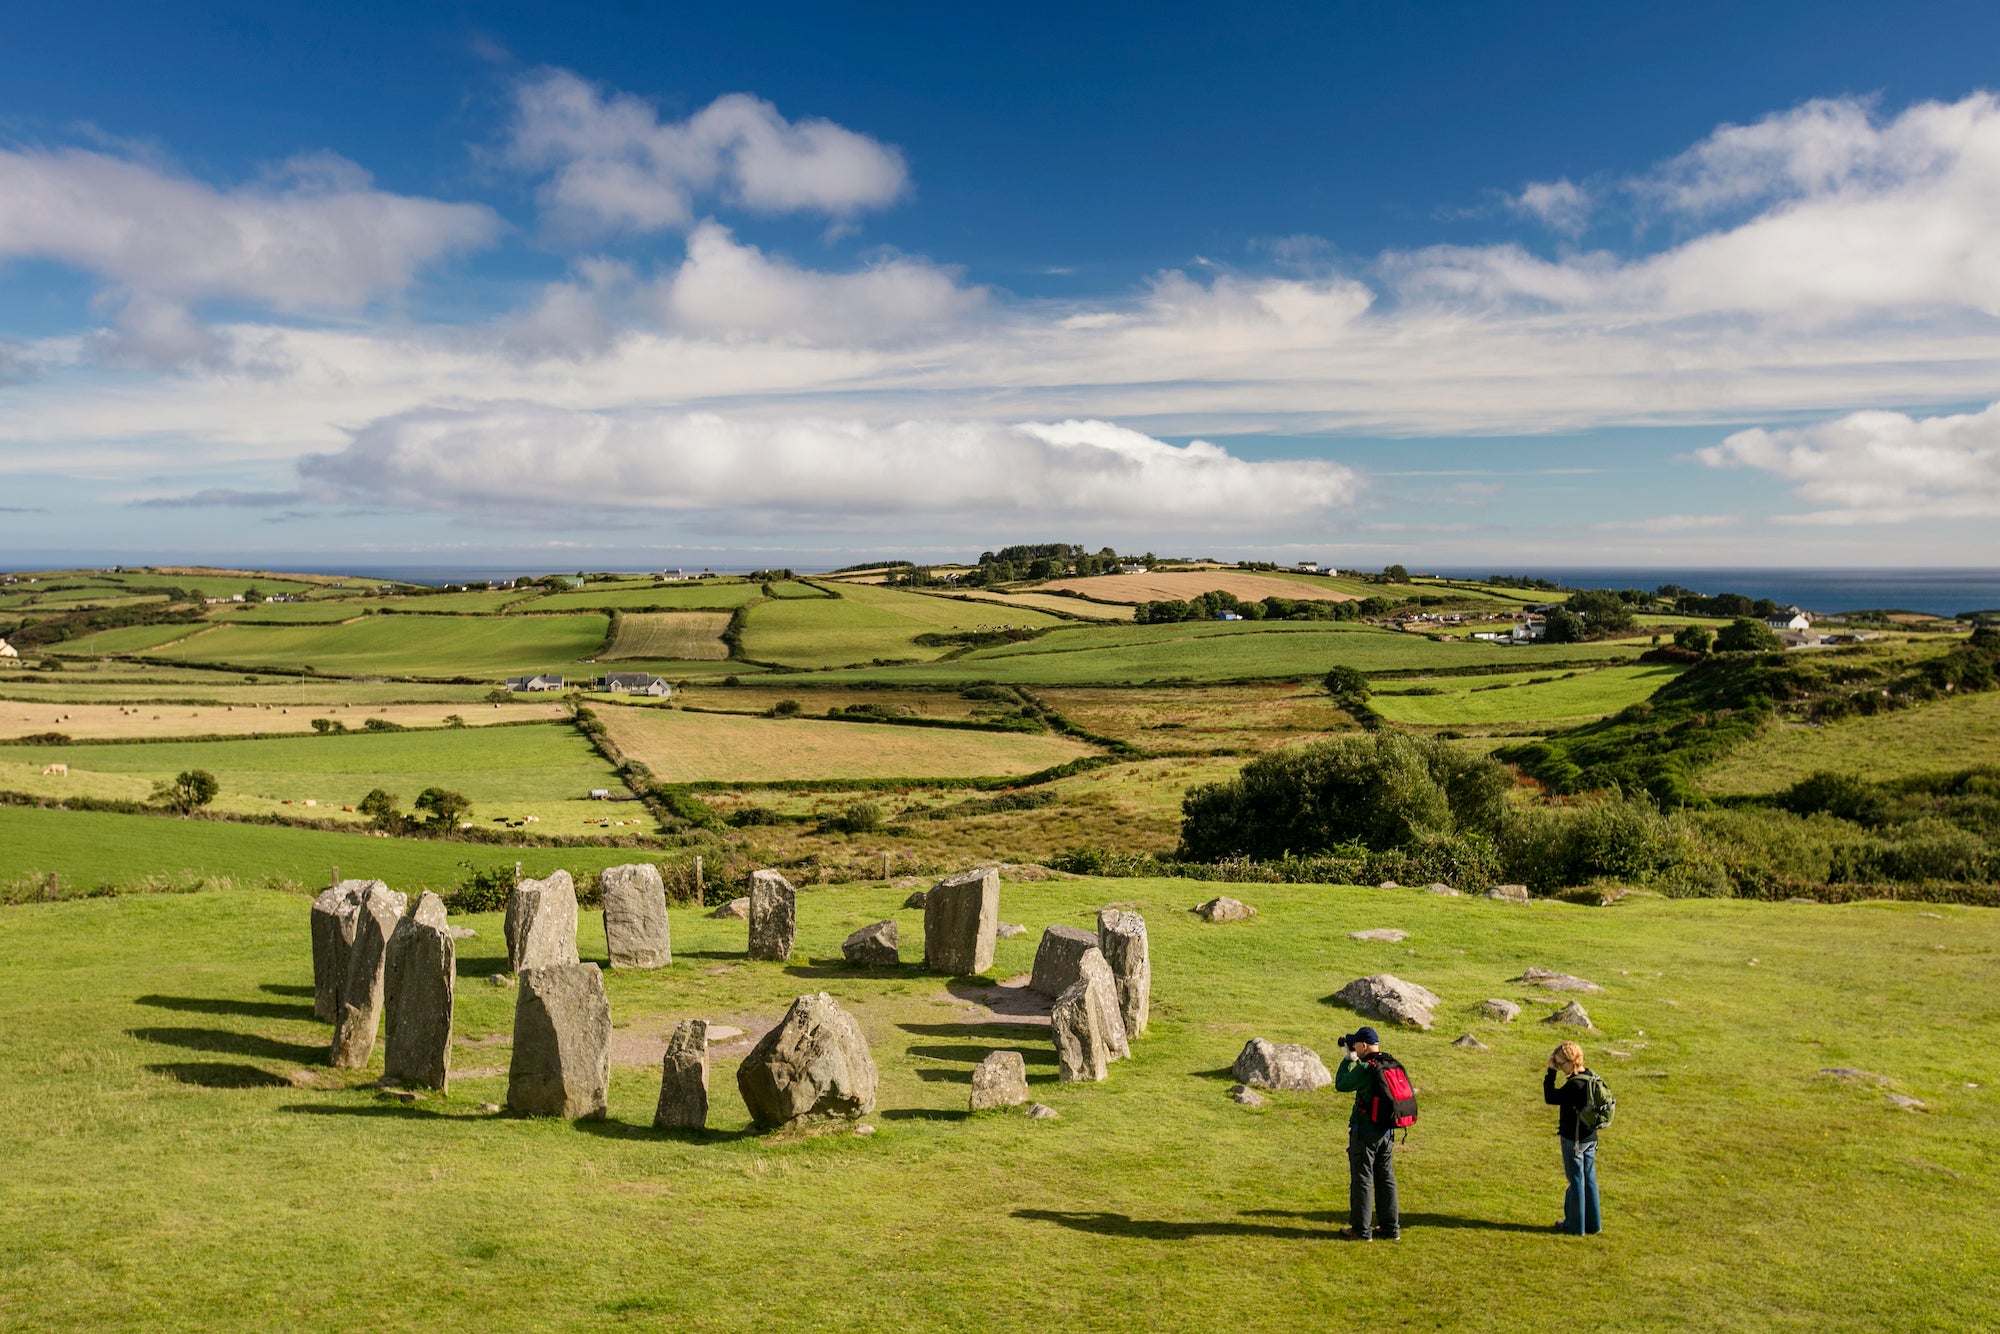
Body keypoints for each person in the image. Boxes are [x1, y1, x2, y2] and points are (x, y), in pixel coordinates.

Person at [1334, 1027, 1399, 1241]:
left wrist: (1347, 1060)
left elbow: (1341, 1084)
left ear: (1363, 1046)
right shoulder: (1389, 1063)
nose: (1355, 1049)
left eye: (1356, 1046)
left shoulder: (1365, 1068)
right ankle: (1390, 1228)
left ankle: (1361, 1230)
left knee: (1362, 1179)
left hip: (1364, 1133)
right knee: (1386, 1179)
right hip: (1387, 1133)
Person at [1544, 1040, 1602, 1236]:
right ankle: (1594, 1224)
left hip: (1573, 1139)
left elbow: (1550, 1097)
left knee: (1576, 1180)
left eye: (1561, 1064)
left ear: (1570, 1062)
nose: (1560, 1068)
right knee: (1589, 1179)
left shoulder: (1574, 1085)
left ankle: (1574, 1226)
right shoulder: (1592, 1076)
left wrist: (1550, 1072)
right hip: (1590, 1138)